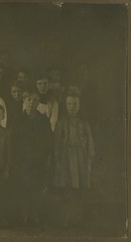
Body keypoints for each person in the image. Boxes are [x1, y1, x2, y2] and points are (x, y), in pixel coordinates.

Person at [9, 91, 52, 227]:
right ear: (24, 101)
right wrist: (13, 161)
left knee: (36, 188)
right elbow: (12, 142)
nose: (32, 103)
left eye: (35, 100)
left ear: (38, 102)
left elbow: (48, 142)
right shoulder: (17, 119)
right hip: (21, 161)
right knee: (22, 188)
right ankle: (23, 216)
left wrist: (47, 159)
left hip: (38, 161)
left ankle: (34, 215)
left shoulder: (44, 120)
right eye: (29, 100)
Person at [53, 93, 95, 227]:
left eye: (75, 104)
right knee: (66, 189)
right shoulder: (61, 123)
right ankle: (65, 218)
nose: (72, 107)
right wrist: (58, 161)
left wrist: (88, 161)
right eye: (69, 104)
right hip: (65, 158)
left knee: (80, 189)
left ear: (79, 105)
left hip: (80, 159)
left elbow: (90, 143)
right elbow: (56, 144)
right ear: (65, 106)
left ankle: (78, 219)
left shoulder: (84, 123)